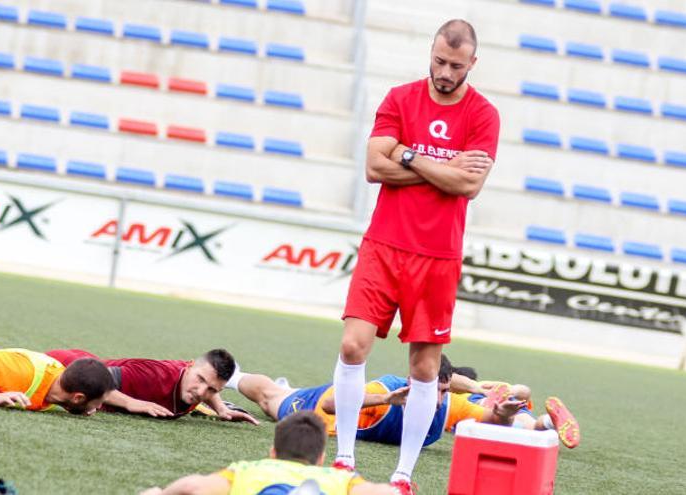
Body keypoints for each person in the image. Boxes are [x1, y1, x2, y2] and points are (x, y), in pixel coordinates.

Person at [333, 18, 500, 493]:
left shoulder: (484, 115)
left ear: (473, 62)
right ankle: (344, 459)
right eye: (439, 61)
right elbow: (372, 166)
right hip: (384, 244)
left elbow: (468, 185)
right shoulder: (399, 98)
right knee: (352, 346)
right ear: (430, 52)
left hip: (438, 256)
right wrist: (440, 166)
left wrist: (406, 156)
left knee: (425, 369)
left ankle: (403, 476)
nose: (445, 72)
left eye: (456, 65)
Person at [226, 355, 527, 446]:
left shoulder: (450, 405)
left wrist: (503, 413)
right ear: (412, 385)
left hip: (354, 406)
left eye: (444, 391)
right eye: (432, 391)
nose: (437, 401)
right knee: (270, 399)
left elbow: (494, 422)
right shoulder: (385, 389)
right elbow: (332, 403)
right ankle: (235, 377)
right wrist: (385, 399)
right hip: (324, 410)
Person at [139, 411, 399, 495]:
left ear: (272, 452)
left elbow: (192, 486)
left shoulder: (246, 471)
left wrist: (159, 493)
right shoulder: (340, 479)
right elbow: (387, 493)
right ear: (320, 459)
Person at [45, 348, 257, 424]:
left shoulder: (197, 379)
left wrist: (221, 409)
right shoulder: (154, 375)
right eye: (200, 380)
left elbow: (208, 383)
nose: (202, 392)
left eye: (212, 390)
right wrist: (132, 403)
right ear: (190, 365)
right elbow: (95, 379)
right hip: (64, 364)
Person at [448, 368, 581, 448]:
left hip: (478, 402)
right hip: (513, 403)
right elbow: (526, 393)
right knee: (533, 426)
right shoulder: (489, 386)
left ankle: (492, 404)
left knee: (483, 408)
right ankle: (550, 421)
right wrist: (513, 390)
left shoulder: (462, 395)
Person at [0, 347, 114, 415]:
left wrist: (79, 408)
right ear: (78, 398)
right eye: (98, 402)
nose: (98, 407)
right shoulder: (23, 375)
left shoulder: (62, 384)